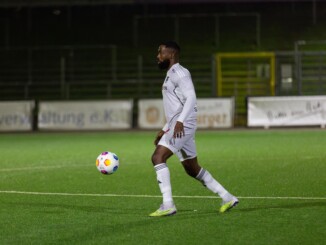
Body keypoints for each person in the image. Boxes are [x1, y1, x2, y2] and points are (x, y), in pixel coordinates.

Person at [149, 41, 238, 217]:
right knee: (191, 168)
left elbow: (191, 98)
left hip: (183, 125)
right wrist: (165, 128)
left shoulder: (180, 73)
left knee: (158, 157)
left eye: (161, 53)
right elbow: (177, 106)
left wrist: (180, 122)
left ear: (172, 54)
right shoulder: (170, 74)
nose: (158, 56)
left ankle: (168, 204)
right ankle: (227, 197)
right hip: (180, 125)